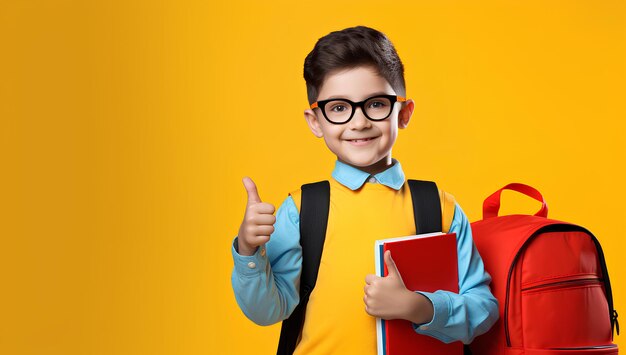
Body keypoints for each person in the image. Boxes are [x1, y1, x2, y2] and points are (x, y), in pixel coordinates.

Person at [230, 25, 498, 354]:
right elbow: (267, 311)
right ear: (315, 121)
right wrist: (248, 251)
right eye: (339, 108)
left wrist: (418, 307)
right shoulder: (302, 210)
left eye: (375, 104)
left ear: (404, 112)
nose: (359, 122)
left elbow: (483, 309)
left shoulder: (439, 207)